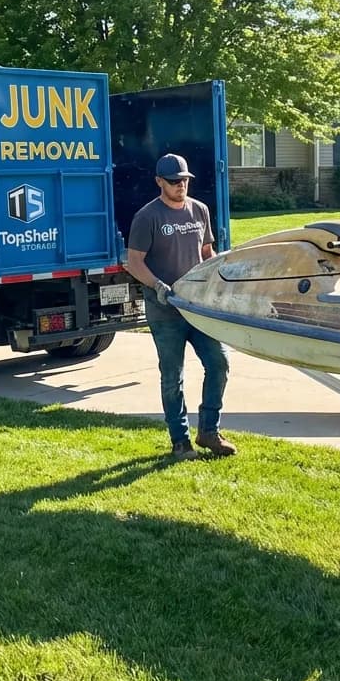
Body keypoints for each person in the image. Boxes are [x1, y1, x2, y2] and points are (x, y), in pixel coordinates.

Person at [126, 153, 235, 461]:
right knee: (172, 375)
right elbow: (134, 262)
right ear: (159, 182)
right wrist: (158, 286)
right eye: (174, 182)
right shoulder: (147, 217)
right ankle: (180, 441)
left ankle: (209, 431)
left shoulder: (199, 210)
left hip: (197, 308)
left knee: (219, 364)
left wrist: (215, 280)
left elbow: (206, 251)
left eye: (185, 180)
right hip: (165, 311)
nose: (180, 186)